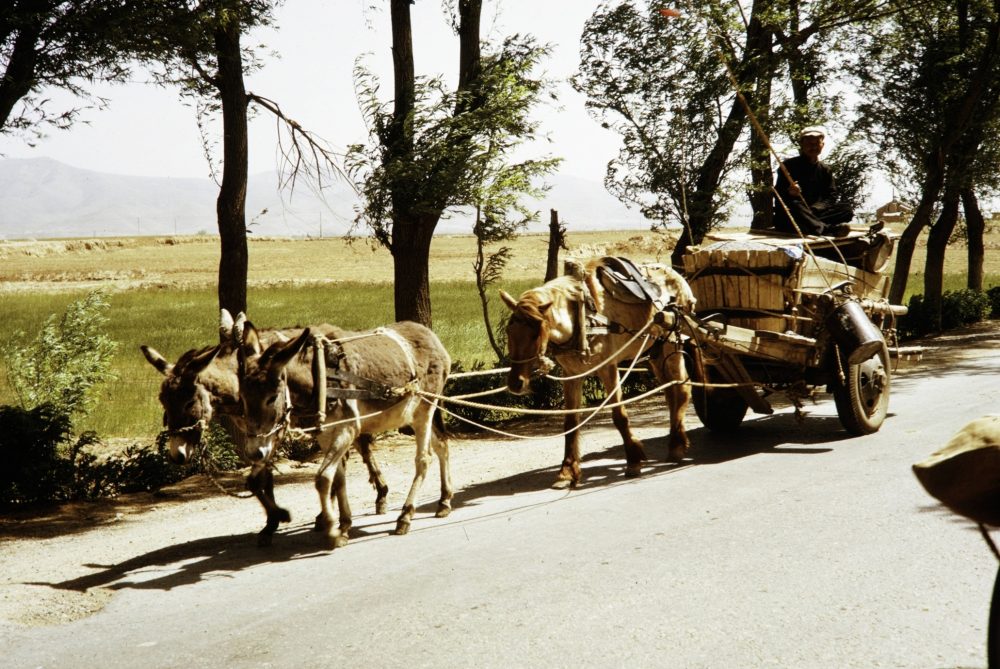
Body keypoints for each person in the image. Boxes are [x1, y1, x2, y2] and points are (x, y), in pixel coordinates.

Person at [773, 126, 854, 237]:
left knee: (846, 209)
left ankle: (812, 225)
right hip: (794, 214)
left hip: (814, 213)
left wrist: (816, 208)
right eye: (809, 144)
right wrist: (790, 192)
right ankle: (826, 229)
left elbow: (831, 196)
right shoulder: (788, 166)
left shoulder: (825, 169)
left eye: (816, 143)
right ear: (802, 145)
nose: (813, 147)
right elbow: (778, 194)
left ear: (822, 145)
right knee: (795, 205)